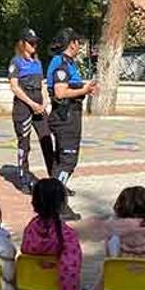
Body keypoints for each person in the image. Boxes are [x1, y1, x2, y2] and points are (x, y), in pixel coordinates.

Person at [21, 178, 82, 290]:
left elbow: (25, 249)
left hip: (33, 288)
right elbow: (71, 267)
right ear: (62, 204)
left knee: (52, 281)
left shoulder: (30, 229)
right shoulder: (66, 234)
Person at [45, 28, 96, 220]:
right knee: (68, 162)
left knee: (61, 160)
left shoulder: (66, 62)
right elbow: (60, 93)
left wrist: (84, 89)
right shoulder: (61, 64)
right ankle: (57, 204)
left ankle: (52, 195)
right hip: (65, 117)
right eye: (78, 43)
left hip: (67, 116)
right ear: (71, 43)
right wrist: (83, 90)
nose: (79, 46)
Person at [6, 27, 54, 192]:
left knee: (47, 140)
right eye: (31, 42)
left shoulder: (37, 62)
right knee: (24, 144)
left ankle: (55, 179)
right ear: (22, 43)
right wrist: (32, 104)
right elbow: (15, 87)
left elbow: (42, 85)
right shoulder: (16, 62)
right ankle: (24, 179)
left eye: (35, 42)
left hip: (39, 107)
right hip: (23, 107)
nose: (34, 45)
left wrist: (45, 102)